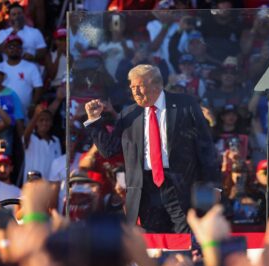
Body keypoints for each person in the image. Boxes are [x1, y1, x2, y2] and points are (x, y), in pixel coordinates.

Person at [84, 64, 219, 233]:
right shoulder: (129, 114)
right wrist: (94, 120)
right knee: (154, 243)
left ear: (156, 85)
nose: (135, 92)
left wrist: (213, 187)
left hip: (180, 186)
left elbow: (205, 148)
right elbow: (109, 149)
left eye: (139, 86)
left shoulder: (186, 105)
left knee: (185, 240)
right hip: (145, 189)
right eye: (132, 87)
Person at [0, 34, 43, 121]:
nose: (15, 49)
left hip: (25, 114)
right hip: (3, 114)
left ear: (21, 49)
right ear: (5, 50)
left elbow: (38, 87)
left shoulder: (31, 67)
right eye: (11, 46)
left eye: (18, 46)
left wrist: (33, 105)